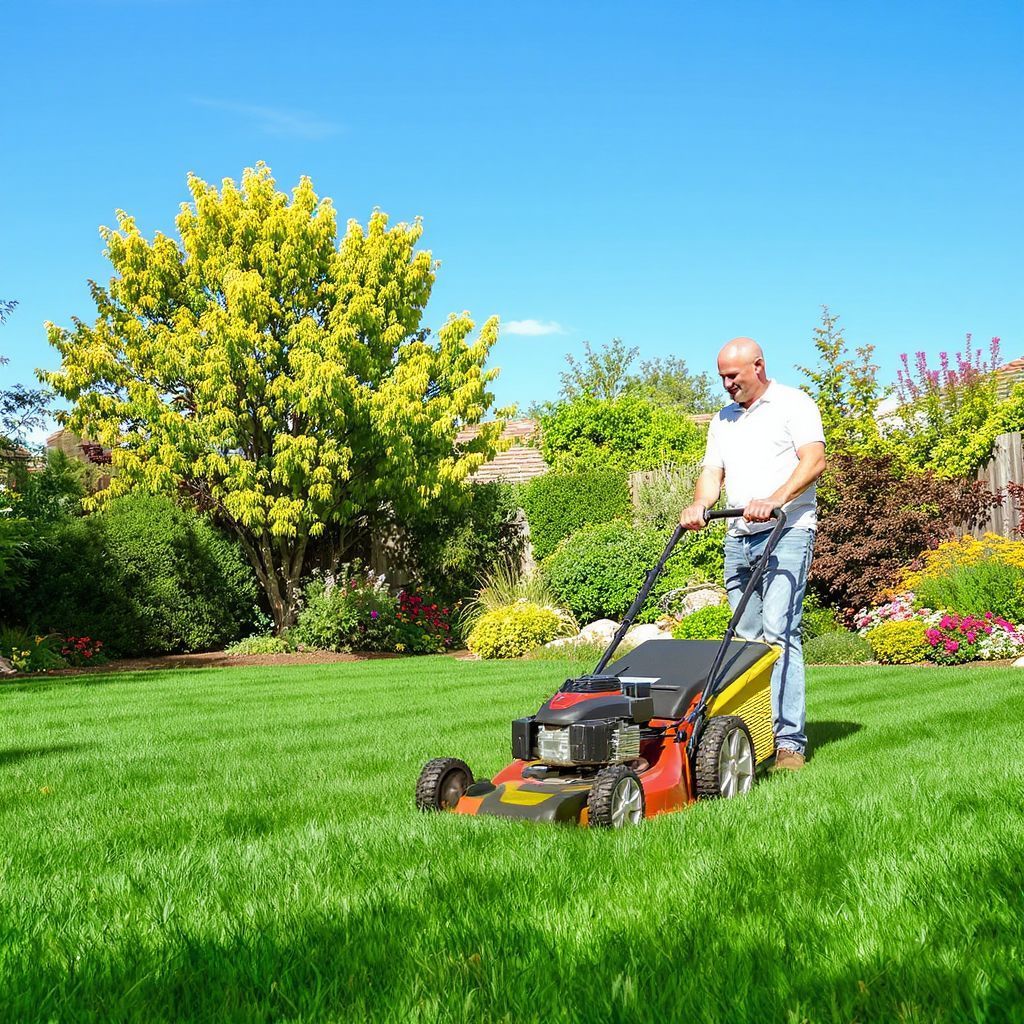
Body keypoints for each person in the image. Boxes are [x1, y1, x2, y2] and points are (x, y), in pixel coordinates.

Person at [679, 337, 826, 771]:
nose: (726, 384)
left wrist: (776, 498)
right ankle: (752, 736)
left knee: (779, 633)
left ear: (758, 366)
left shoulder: (793, 404)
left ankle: (789, 744)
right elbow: (712, 472)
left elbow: (814, 460)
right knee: (745, 640)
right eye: (722, 376)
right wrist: (699, 505)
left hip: (787, 531)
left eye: (733, 376)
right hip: (738, 536)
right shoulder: (723, 419)